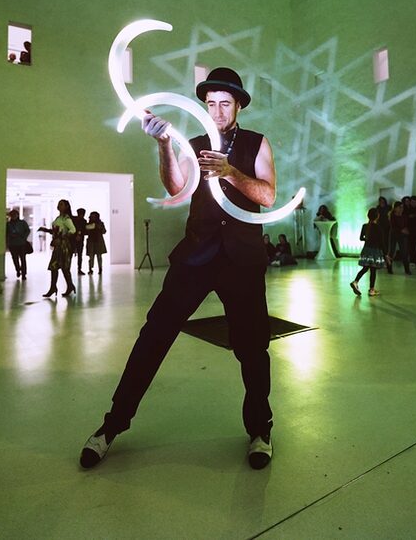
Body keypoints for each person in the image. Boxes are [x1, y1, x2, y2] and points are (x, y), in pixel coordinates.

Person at [80, 66, 276, 470]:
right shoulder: (195, 143)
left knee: (253, 347)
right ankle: (111, 426)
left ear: (238, 104)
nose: (217, 111)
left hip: (241, 258)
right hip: (197, 254)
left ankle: (260, 430)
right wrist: (166, 144)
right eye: (211, 104)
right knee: (154, 334)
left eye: (225, 104)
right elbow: (175, 187)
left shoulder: (257, 143)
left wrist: (231, 172)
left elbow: (268, 195)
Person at [37, 200, 76, 297]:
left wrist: (63, 237)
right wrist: (46, 230)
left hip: (63, 246)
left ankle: (69, 286)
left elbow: (73, 230)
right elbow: (56, 231)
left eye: (61, 204)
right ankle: (53, 287)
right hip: (58, 245)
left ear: (66, 206)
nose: (59, 205)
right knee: (54, 267)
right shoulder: (58, 218)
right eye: (58, 204)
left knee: (64, 268)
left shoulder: (66, 219)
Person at [351, 207, 386, 296]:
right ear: (377, 216)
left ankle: (355, 281)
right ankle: (371, 289)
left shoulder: (365, 226)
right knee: (373, 270)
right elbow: (381, 242)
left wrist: (367, 239)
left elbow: (361, 238)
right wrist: (385, 254)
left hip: (366, 250)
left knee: (365, 268)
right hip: (375, 251)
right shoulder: (378, 227)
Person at [6, 209, 31, 280]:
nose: (13, 216)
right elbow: (6, 233)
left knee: (23, 259)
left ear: (17, 215)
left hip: (21, 243)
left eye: (15, 214)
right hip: (12, 244)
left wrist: (24, 237)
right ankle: (17, 270)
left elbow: (27, 230)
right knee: (15, 259)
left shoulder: (22, 223)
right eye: (12, 215)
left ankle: (23, 274)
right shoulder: (8, 224)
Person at [389, 200, 411, 274]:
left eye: (402, 207)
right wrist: (401, 230)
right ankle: (389, 268)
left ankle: (407, 270)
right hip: (394, 235)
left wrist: (406, 230)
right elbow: (393, 226)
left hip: (403, 236)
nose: (401, 209)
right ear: (395, 208)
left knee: (404, 252)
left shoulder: (404, 216)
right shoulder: (392, 216)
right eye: (400, 207)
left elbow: (406, 225)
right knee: (392, 252)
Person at [72, 207, 87, 274]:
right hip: (74, 240)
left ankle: (79, 269)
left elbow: (84, 230)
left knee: (80, 255)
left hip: (80, 240)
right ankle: (69, 269)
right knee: (71, 255)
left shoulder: (83, 221)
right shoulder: (74, 220)